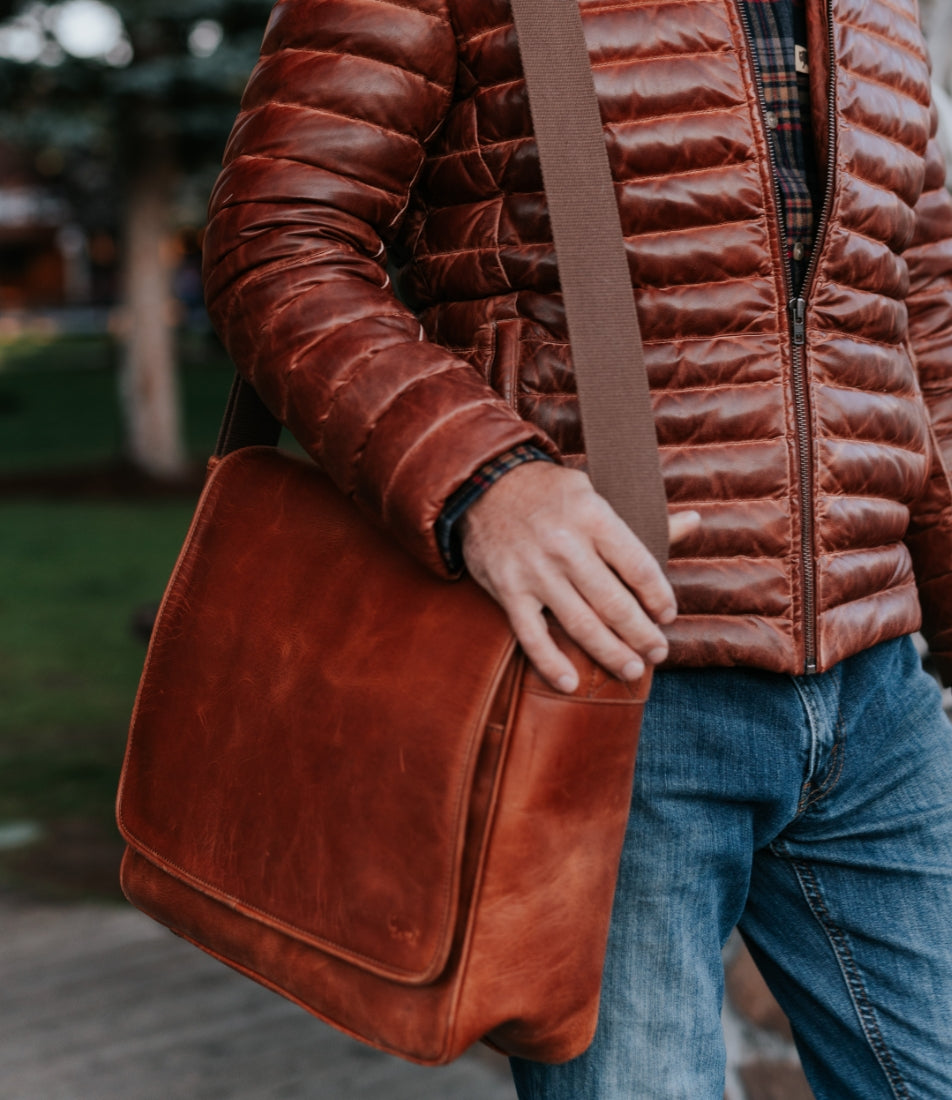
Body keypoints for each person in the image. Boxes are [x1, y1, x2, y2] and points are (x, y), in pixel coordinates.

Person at [201, 0, 952, 1095]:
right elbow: (277, 241)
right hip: (608, 686)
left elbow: (915, 314)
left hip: (879, 694)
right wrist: (485, 480)